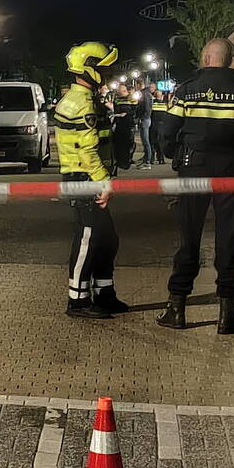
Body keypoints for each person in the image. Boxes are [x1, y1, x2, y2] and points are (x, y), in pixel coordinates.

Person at [156, 39, 234, 334]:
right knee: (230, 236)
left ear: (205, 58)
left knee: (188, 235)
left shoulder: (187, 91)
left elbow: (167, 132)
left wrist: (175, 155)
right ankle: (227, 313)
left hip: (194, 167)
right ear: (229, 61)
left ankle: (177, 307)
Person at [54, 41, 128, 319]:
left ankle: (104, 293)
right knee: (87, 239)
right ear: (90, 70)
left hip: (86, 177)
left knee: (106, 239)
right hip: (85, 179)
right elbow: (87, 152)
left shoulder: (82, 99)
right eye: (105, 69)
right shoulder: (82, 104)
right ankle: (78, 301)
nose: (108, 75)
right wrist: (104, 182)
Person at [111, 84, 137, 170]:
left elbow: (135, 110)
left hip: (128, 124)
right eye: (119, 91)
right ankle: (120, 161)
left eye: (122, 90)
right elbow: (115, 110)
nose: (120, 92)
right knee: (119, 144)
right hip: (119, 124)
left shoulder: (132, 99)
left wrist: (127, 114)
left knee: (127, 144)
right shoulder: (117, 99)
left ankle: (126, 161)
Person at [135, 82, 157, 168]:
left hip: (145, 119)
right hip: (145, 119)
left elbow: (147, 108)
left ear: (140, 85)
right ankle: (146, 160)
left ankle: (147, 162)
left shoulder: (145, 94)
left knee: (145, 141)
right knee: (145, 141)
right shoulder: (145, 93)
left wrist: (142, 118)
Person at [149, 89, 168, 165]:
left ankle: (152, 158)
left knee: (152, 142)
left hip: (153, 124)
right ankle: (161, 159)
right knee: (161, 142)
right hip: (162, 125)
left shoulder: (152, 104)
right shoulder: (165, 104)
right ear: (162, 96)